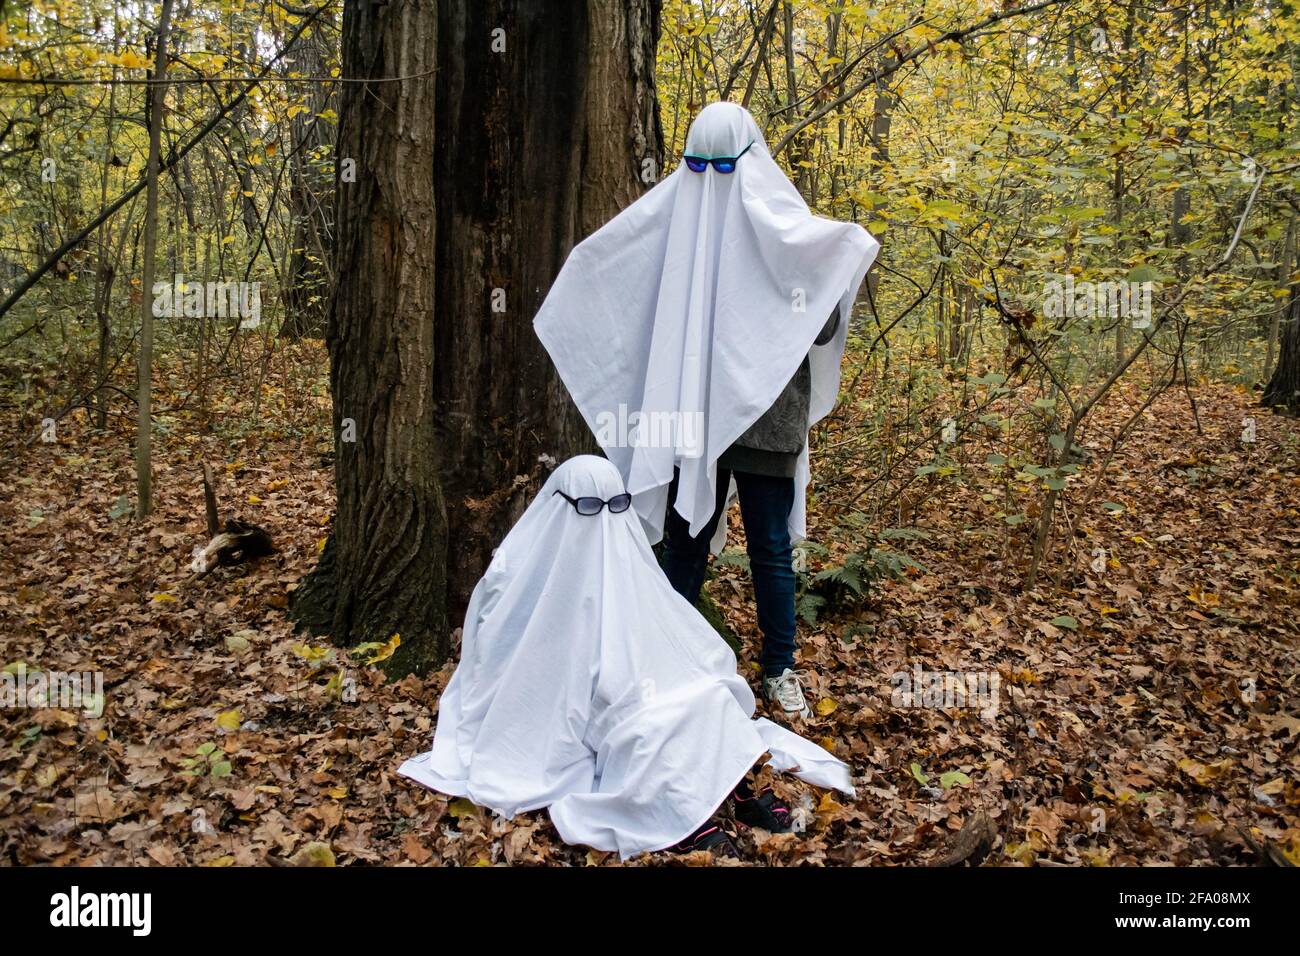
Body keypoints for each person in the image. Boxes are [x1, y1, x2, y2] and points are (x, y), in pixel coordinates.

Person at [534, 102, 878, 720]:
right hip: (694, 422)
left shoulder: (785, 227)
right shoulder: (673, 220)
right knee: (689, 541)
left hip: (765, 422)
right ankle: (668, 657)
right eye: (701, 164)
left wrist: (811, 270)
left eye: (720, 163)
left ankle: (778, 668)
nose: (710, 176)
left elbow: (822, 326)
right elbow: (618, 275)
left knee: (764, 547)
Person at [398, 455, 855, 860]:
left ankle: (739, 791)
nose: (606, 519)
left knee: (709, 694)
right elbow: (501, 652)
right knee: (648, 723)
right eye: (591, 507)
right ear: (560, 503)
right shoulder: (519, 567)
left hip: (640, 668)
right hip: (582, 693)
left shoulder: (622, 552)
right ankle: (681, 818)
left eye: (617, 505)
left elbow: (659, 615)